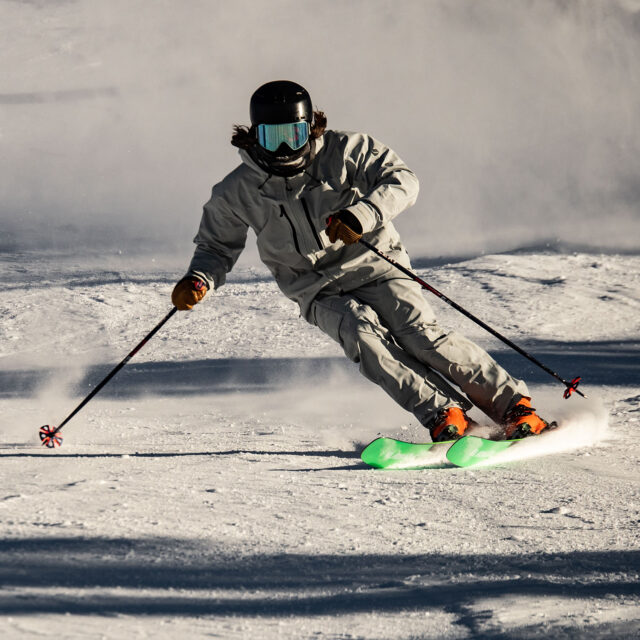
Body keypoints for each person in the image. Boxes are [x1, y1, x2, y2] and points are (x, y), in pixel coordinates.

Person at [171, 80, 551, 442]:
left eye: (295, 134)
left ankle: (514, 407)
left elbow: (403, 180)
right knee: (362, 335)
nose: (286, 148)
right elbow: (216, 247)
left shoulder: (346, 150)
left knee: (419, 335)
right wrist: (199, 279)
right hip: (315, 288)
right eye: (274, 137)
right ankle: (444, 413)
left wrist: (362, 215)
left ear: (311, 129)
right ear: (255, 136)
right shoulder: (236, 191)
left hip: (378, 266)